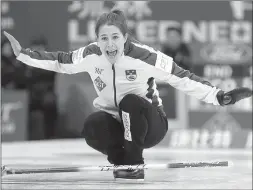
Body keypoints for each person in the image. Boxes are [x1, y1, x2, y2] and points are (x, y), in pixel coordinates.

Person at [3, 9, 252, 181]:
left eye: (115, 38)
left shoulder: (145, 57)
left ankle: (134, 164)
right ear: (97, 39)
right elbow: (60, 61)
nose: (109, 44)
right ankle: (122, 163)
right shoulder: (91, 54)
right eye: (104, 38)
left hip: (150, 124)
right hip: (117, 124)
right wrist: (22, 54)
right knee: (91, 126)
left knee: (130, 101)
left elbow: (183, 77)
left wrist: (220, 97)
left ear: (125, 38)